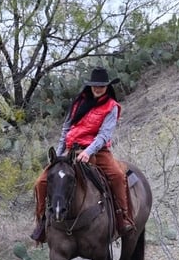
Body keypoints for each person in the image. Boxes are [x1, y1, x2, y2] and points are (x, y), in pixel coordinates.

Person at [30, 66, 135, 243]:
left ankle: (122, 218)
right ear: (90, 86)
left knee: (117, 176)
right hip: (70, 149)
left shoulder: (111, 107)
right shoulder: (79, 102)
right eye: (95, 85)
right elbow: (66, 129)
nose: (98, 88)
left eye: (101, 85)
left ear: (107, 87)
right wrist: (60, 153)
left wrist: (88, 152)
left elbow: (104, 135)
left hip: (97, 150)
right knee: (41, 182)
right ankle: (42, 221)